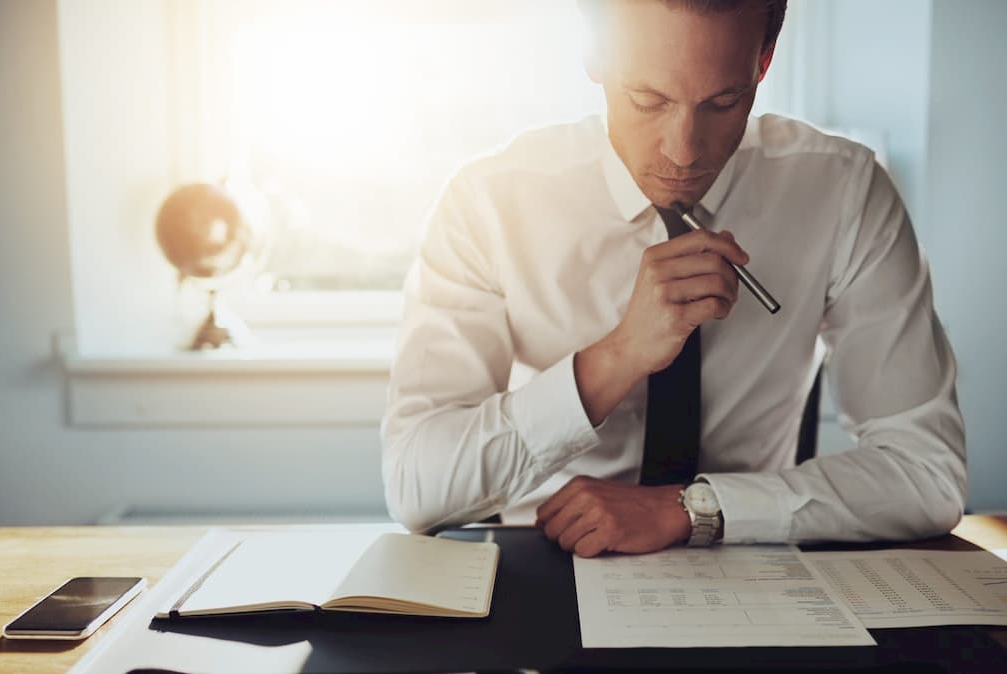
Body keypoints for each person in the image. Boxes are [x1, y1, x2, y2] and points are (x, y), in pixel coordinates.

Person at [380, 0, 966, 558]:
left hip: (750, 564)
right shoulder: (488, 202)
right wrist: (616, 357)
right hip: (542, 558)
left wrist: (693, 509)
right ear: (595, 56)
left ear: (764, 60)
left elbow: (927, 472)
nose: (683, 152)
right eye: (647, 99)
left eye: (723, 101)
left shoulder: (844, 191)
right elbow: (416, 486)